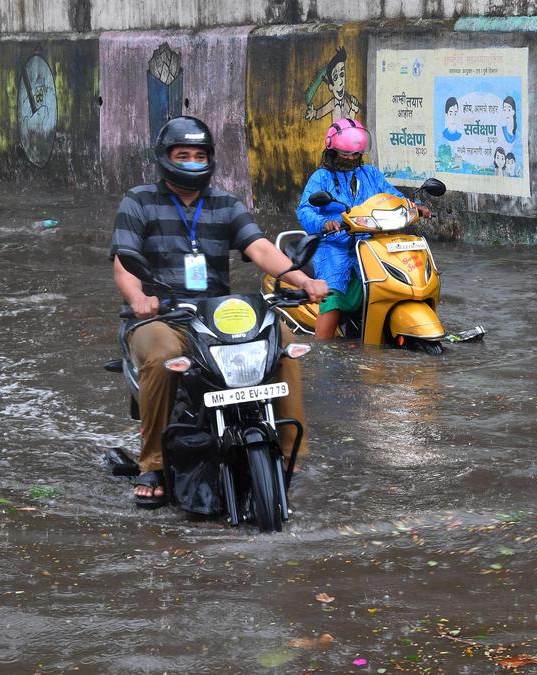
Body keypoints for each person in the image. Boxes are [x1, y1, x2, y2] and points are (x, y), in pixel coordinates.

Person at [112, 116, 329, 508]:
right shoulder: (139, 200)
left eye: (200, 155)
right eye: (184, 155)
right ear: (165, 158)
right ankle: (154, 464)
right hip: (164, 316)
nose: (193, 161)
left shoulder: (226, 203)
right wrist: (139, 299)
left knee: (284, 342)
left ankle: (291, 452)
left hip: (216, 317)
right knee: (162, 356)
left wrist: (303, 281)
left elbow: (260, 248)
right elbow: (124, 263)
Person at [296, 117, 430, 340]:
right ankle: (323, 345)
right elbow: (305, 210)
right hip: (335, 244)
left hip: (371, 243)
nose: (351, 158)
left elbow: (392, 197)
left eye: (355, 154)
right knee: (334, 291)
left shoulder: (371, 174)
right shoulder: (321, 178)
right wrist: (324, 223)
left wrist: (414, 206)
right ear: (332, 151)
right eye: (345, 153)